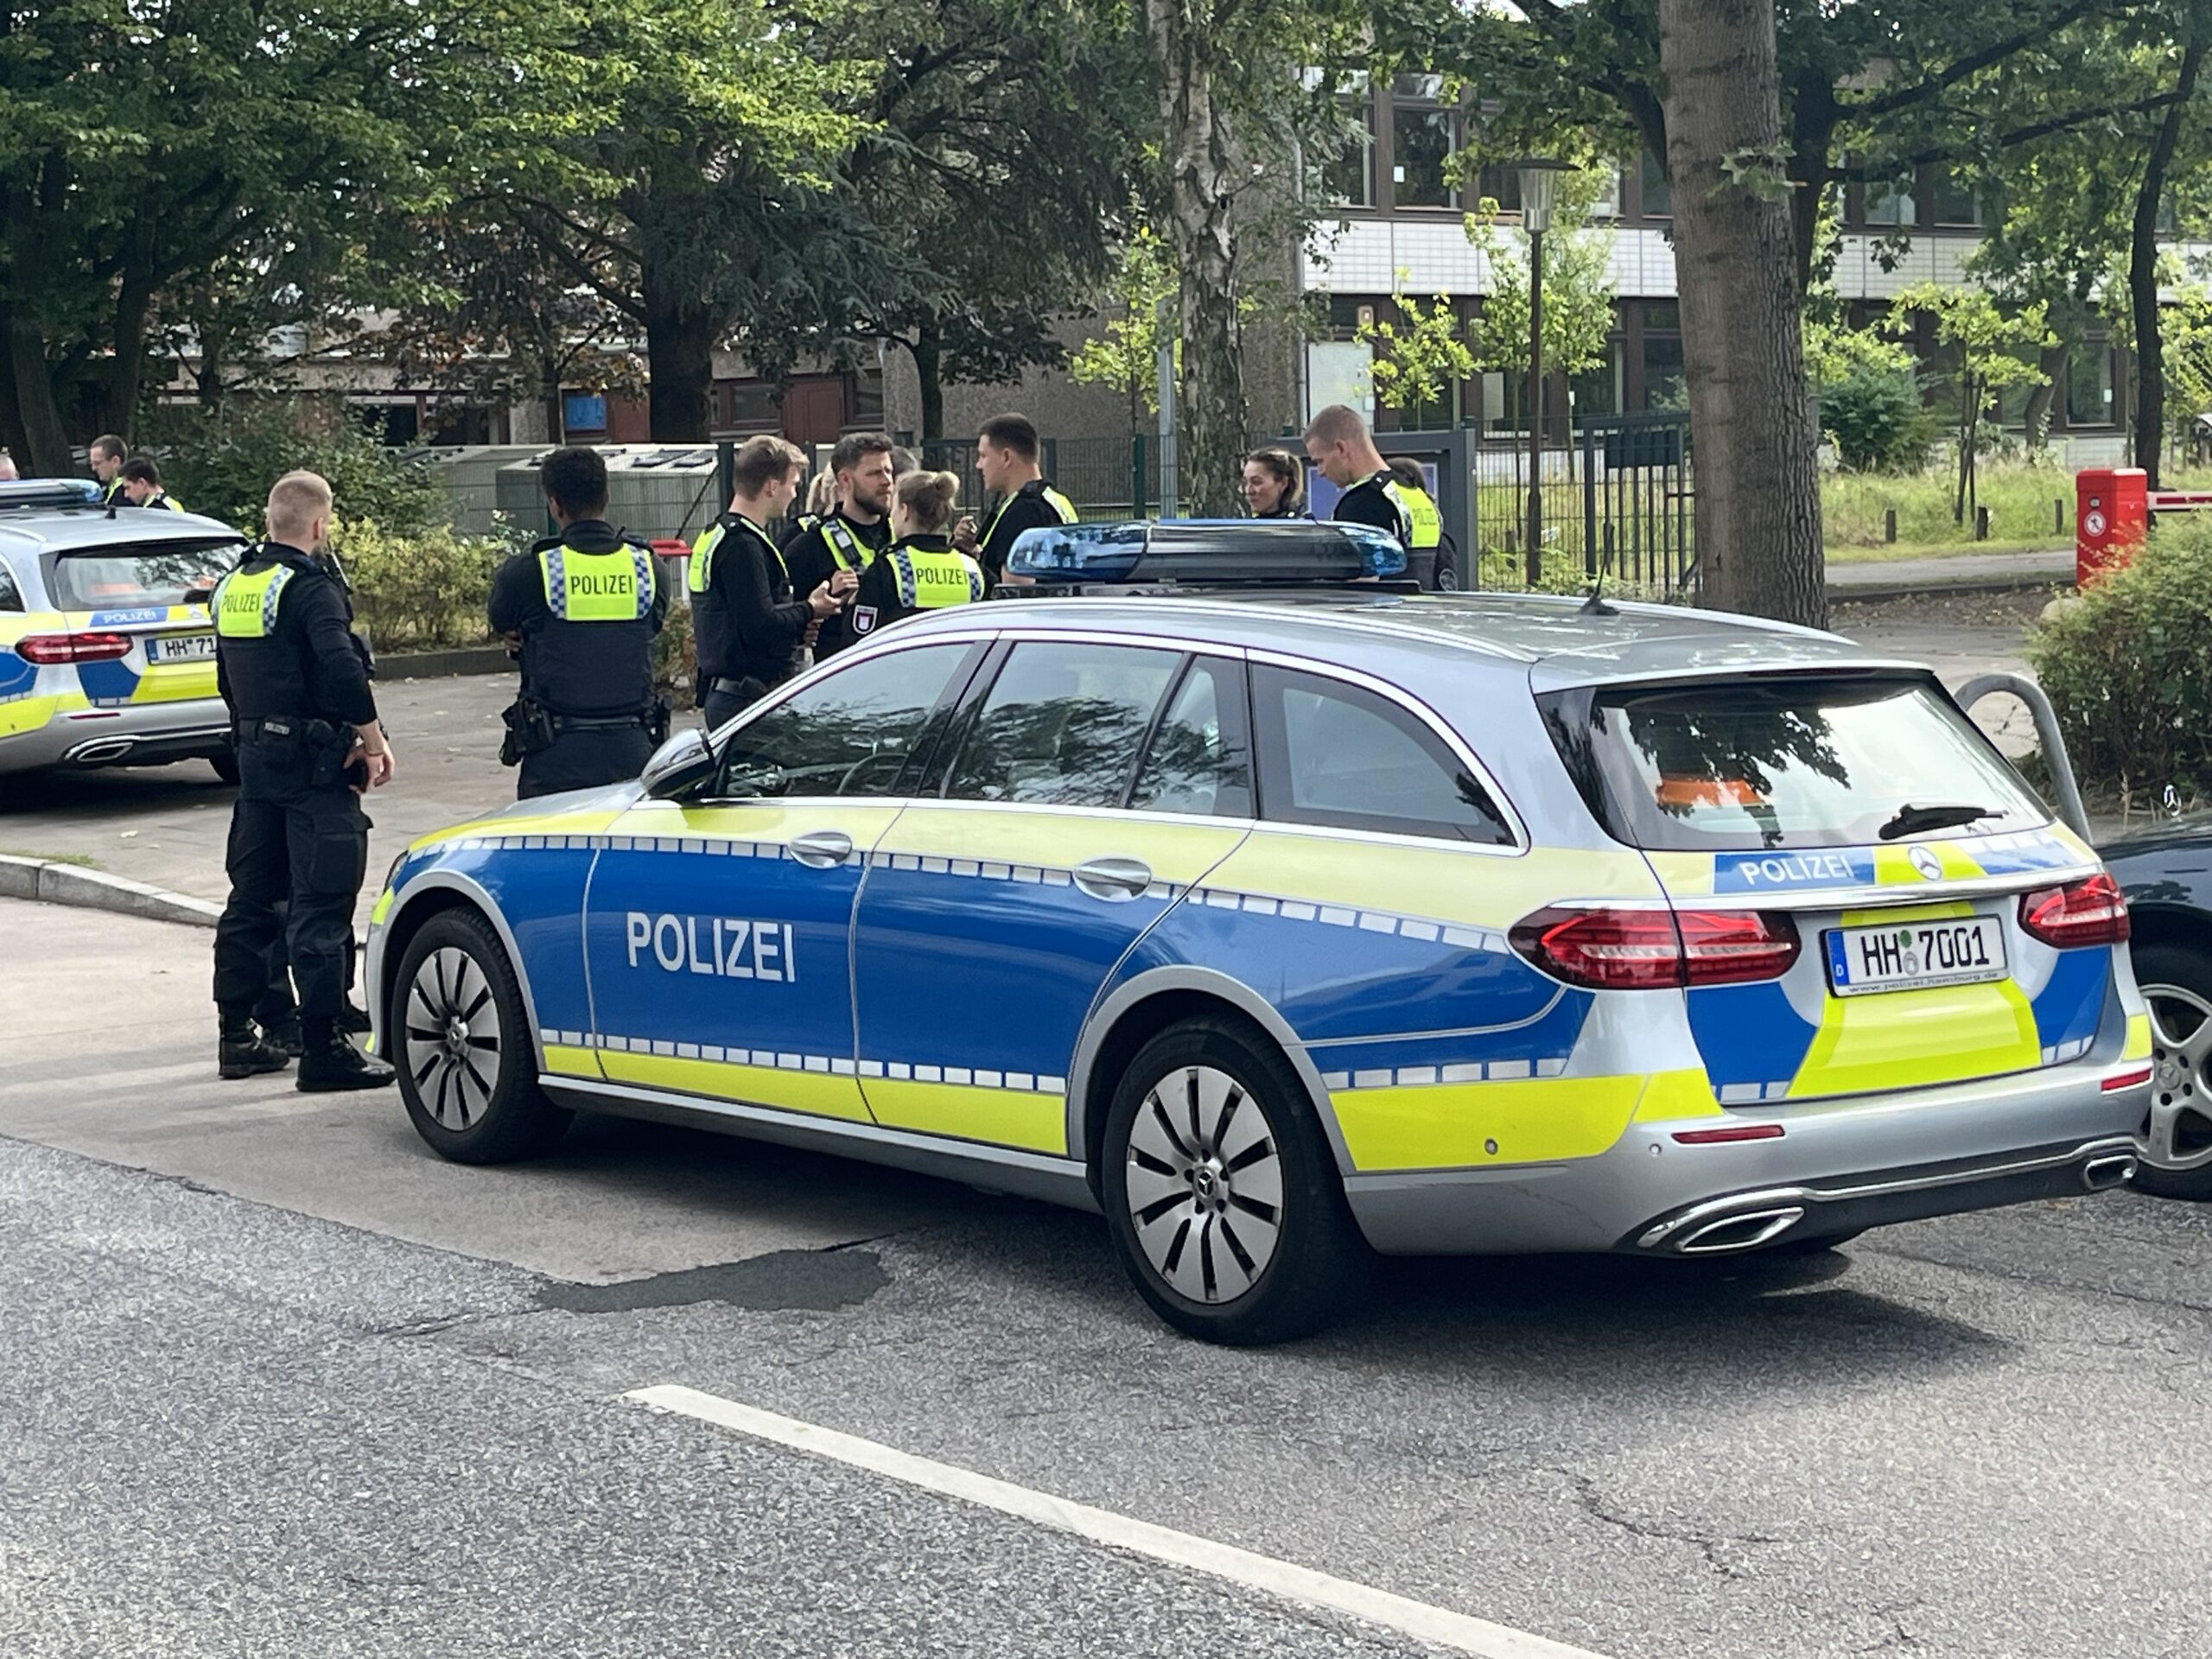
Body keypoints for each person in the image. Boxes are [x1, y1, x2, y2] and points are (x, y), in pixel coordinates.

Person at [207, 470, 397, 1091]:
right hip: (315, 763)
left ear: (271, 521)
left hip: (255, 758)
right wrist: (372, 740)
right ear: (319, 525)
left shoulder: (237, 585)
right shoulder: (310, 588)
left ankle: (238, 1036)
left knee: (252, 898)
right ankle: (325, 1049)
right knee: (321, 902)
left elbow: (227, 681)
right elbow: (342, 671)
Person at [487, 446, 670, 799]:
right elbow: (653, 625)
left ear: (554, 504)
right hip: (632, 751)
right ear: (607, 495)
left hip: (556, 757)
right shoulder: (647, 568)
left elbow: (502, 620)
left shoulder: (531, 571)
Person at [690, 435, 854, 728]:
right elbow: (759, 624)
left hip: (730, 694)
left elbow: (734, 620)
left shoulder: (717, 533)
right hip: (748, 699)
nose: (794, 494)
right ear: (772, 486)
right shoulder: (743, 546)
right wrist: (810, 608)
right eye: (792, 485)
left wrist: (797, 626)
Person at [782, 432, 896, 661]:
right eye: (874, 473)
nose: (886, 481)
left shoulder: (904, 535)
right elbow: (785, 626)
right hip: (842, 680)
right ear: (845, 479)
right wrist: (826, 603)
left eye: (889, 471)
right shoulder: (809, 546)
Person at [1303, 404, 1442, 584]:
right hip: (1425, 610)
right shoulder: (1416, 495)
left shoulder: (1360, 503)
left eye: (1320, 461)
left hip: (1385, 610)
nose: (1320, 471)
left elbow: (1359, 588)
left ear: (1341, 448)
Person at [849, 469, 983, 640]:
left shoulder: (889, 568)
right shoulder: (973, 570)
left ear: (905, 511)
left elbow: (859, 638)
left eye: (894, 507)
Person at [957, 413, 1077, 586]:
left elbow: (1016, 589)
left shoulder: (1023, 512)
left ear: (1006, 457)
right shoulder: (1056, 500)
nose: (979, 465)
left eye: (983, 456)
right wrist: (974, 553)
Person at [1243, 448, 1307, 518]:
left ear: (1283, 483)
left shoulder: (1303, 526)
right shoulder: (1241, 525)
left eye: (1256, 482)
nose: (1248, 491)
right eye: (1245, 483)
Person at [119, 455, 184, 511]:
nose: (126, 495)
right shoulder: (170, 504)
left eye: (128, 488)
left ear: (141, 483)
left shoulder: (157, 510)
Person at [89, 435, 128, 504]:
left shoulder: (126, 494)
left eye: (97, 463)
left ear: (115, 461)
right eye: (92, 464)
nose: (93, 468)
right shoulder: (108, 490)